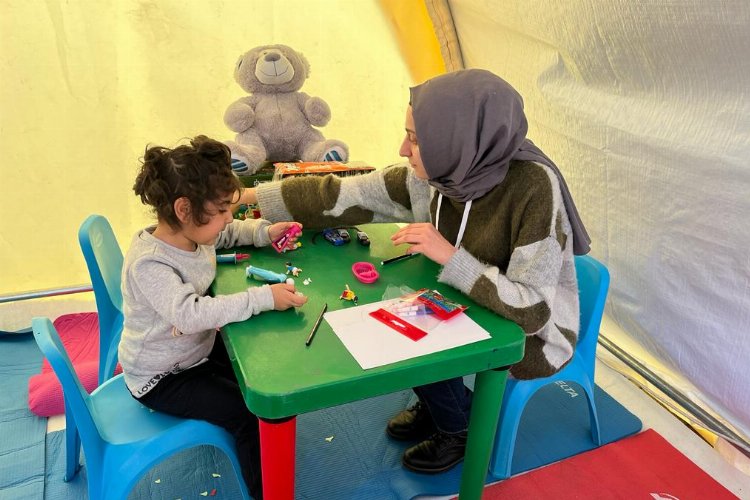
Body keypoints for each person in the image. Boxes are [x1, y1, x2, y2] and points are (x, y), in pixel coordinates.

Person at [238, 69, 591, 474]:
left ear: (456, 139)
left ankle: (459, 428)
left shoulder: (534, 188)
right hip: (469, 297)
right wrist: (248, 197)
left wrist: (450, 257)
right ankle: (442, 402)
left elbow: (533, 311)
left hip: (529, 330)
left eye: (417, 139)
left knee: (413, 330)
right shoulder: (446, 169)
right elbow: (343, 194)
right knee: (400, 311)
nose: (403, 149)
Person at [119, 135, 307, 499]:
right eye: (221, 210)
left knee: (255, 368)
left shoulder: (192, 235)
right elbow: (190, 315)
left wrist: (264, 232)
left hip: (192, 352)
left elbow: (227, 234)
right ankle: (266, 493)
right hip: (163, 377)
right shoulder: (150, 263)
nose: (228, 217)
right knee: (248, 413)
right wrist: (263, 297)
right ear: (184, 209)